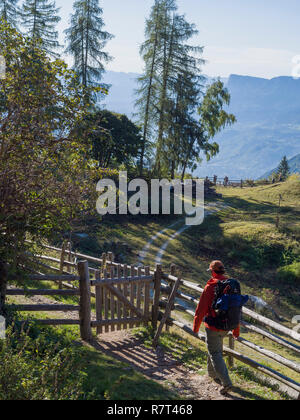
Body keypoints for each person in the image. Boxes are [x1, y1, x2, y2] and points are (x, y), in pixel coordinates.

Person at [193, 260, 240, 395]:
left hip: (213, 325)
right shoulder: (231, 286)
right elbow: (236, 309)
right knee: (214, 349)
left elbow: (200, 309)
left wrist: (195, 328)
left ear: (213, 271)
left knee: (215, 353)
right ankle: (212, 374)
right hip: (226, 326)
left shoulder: (210, 287)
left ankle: (226, 383)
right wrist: (235, 330)